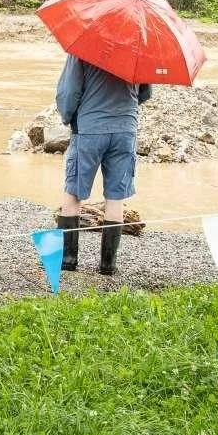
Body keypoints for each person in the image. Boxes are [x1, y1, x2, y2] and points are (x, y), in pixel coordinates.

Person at [54, 53, 152, 276]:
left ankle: (68, 260)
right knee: (115, 197)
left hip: (89, 128)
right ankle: (108, 265)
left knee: (73, 193)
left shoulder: (83, 49)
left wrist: (68, 117)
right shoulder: (138, 49)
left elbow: (69, 92)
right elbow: (145, 93)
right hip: (126, 129)